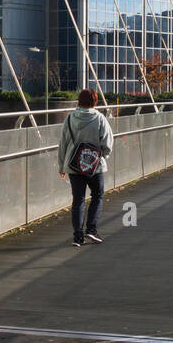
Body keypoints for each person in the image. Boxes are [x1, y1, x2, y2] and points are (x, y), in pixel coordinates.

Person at [57, 88, 113, 246]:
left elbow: (63, 143)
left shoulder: (70, 119)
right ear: (95, 101)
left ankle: (77, 236)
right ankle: (91, 229)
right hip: (95, 166)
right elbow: (107, 142)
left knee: (78, 199)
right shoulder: (100, 118)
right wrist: (103, 155)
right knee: (97, 194)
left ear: (79, 101)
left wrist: (62, 166)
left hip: (74, 165)